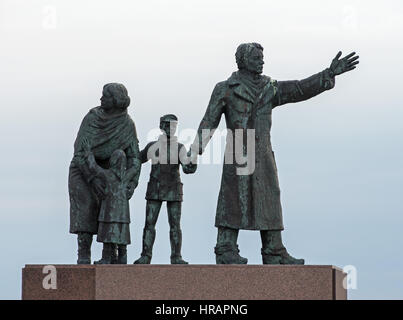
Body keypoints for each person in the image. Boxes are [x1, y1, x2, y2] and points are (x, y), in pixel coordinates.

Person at [189, 43, 359, 264]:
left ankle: (274, 251)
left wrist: (328, 74)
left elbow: (299, 89)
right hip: (238, 151)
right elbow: (209, 121)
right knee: (232, 198)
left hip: (262, 152)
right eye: (257, 57)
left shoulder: (270, 87)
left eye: (262, 57)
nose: (262, 61)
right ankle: (225, 249)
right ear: (243, 60)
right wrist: (194, 152)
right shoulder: (226, 88)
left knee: (269, 197)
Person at [69, 83, 141, 264]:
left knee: (112, 213)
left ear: (116, 100)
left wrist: (130, 184)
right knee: (86, 208)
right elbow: (80, 152)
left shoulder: (127, 124)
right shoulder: (92, 118)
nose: (101, 99)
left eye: (105, 96)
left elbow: (134, 158)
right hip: (85, 169)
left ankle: (110, 255)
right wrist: (93, 179)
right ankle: (83, 254)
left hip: (113, 173)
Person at [134, 114, 196, 264]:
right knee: (149, 224)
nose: (171, 128)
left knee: (175, 225)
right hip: (155, 188)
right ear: (161, 126)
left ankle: (176, 256)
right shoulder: (152, 146)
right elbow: (136, 159)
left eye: (174, 126)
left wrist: (194, 156)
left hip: (173, 189)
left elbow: (188, 169)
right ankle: (146, 255)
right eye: (168, 125)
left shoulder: (180, 148)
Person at [79, 138, 140, 264]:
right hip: (122, 215)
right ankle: (122, 259)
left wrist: (88, 153)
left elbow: (93, 167)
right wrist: (133, 149)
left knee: (108, 236)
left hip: (108, 213)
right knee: (122, 237)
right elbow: (135, 165)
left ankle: (106, 258)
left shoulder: (107, 175)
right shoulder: (127, 177)